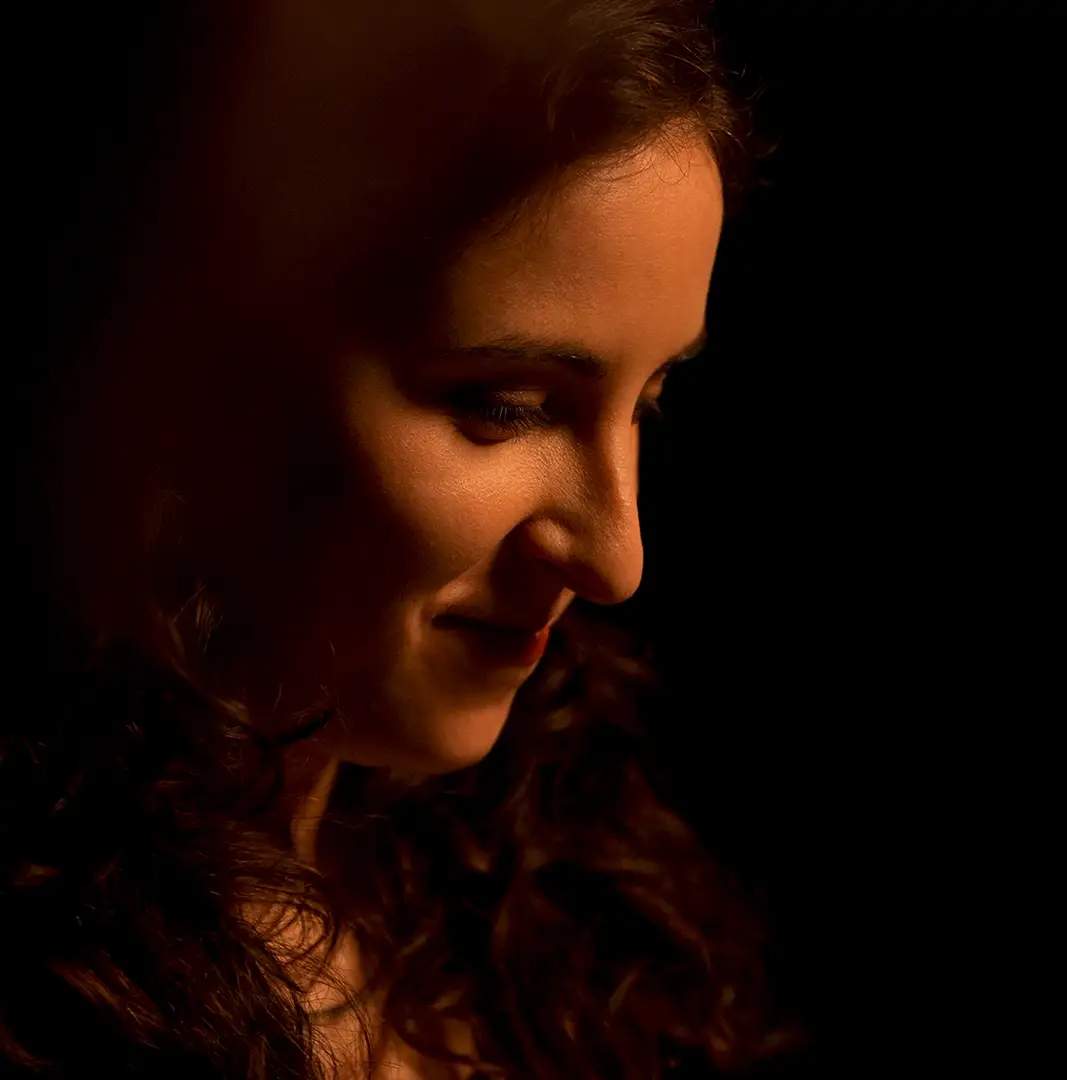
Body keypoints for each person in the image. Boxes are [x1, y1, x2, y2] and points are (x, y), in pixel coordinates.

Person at [2, 1, 790, 1076]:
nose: (617, 560)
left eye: (648, 403)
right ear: (181, 362)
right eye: (506, 407)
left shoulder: (552, 899)